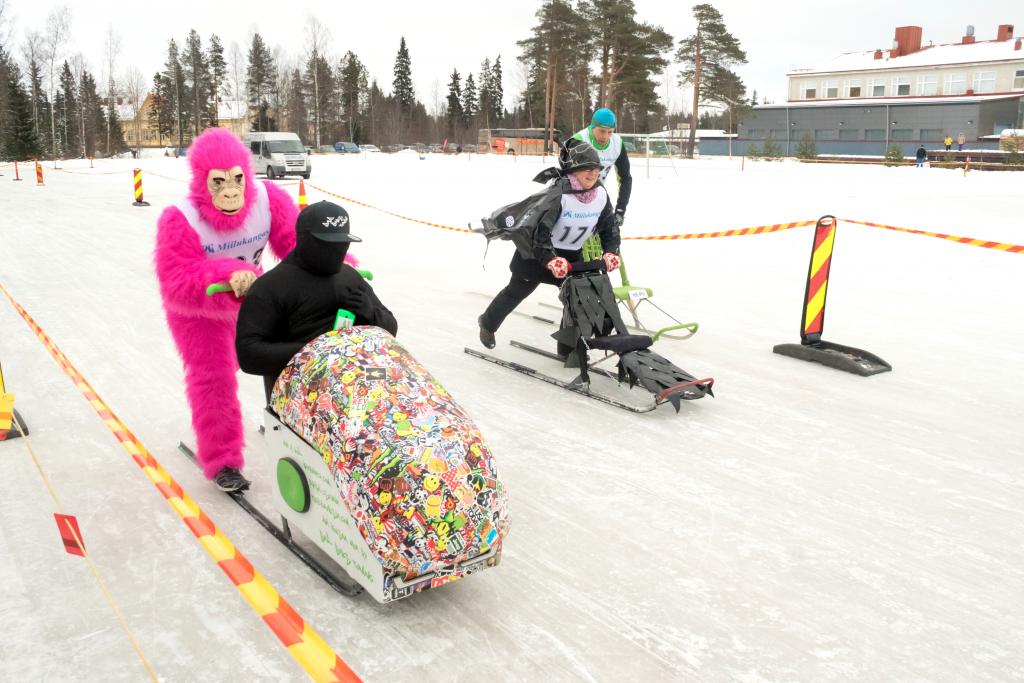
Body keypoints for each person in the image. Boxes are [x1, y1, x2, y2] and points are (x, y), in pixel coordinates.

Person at [154, 128, 298, 492]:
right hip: (198, 314)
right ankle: (223, 460)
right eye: (218, 183)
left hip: (253, 294)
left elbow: (296, 244)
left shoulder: (268, 199)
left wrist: (337, 265)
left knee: (291, 351)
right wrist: (225, 275)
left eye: (236, 180)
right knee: (213, 376)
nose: (230, 192)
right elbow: (177, 281)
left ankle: (292, 419)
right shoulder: (181, 218)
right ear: (203, 183)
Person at [236, 201, 397, 402]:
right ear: (304, 240)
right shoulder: (270, 288)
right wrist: (318, 350)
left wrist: (372, 315)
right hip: (306, 391)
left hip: (361, 378)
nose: (337, 251)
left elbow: (391, 329)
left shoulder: (350, 277)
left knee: (401, 385)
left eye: (342, 244)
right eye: (327, 245)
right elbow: (248, 354)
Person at [477, 140, 620, 353]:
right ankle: (487, 324)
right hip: (537, 255)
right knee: (516, 291)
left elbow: (610, 228)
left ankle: (566, 348)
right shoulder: (558, 196)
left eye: (596, 169)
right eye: (586, 169)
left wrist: (610, 251)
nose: (593, 174)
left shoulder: (600, 195)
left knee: (576, 301)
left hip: (571, 256)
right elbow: (540, 233)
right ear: (573, 170)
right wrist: (550, 259)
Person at [571, 108, 632, 228]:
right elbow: (565, 175)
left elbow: (625, 178)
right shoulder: (579, 140)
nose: (605, 136)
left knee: (610, 236)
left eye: (610, 132)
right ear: (592, 127)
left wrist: (620, 209)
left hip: (597, 194)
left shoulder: (617, 143)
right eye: (602, 131)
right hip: (573, 196)